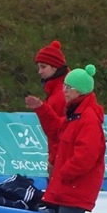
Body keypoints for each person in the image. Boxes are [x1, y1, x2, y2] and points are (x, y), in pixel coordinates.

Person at [25, 64, 105, 213]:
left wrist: (64, 173)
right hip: (73, 183)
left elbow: (86, 155)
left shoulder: (87, 118)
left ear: (80, 91)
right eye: (64, 87)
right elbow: (57, 129)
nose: (65, 91)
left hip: (77, 184)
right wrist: (42, 109)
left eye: (69, 88)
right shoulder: (76, 114)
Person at [31, 39, 69, 182]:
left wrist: (53, 161)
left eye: (43, 67)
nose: (39, 71)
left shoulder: (61, 95)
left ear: (55, 67)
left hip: (62, 161)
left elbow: (58, 132)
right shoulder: (57, 90)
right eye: (38, 67)